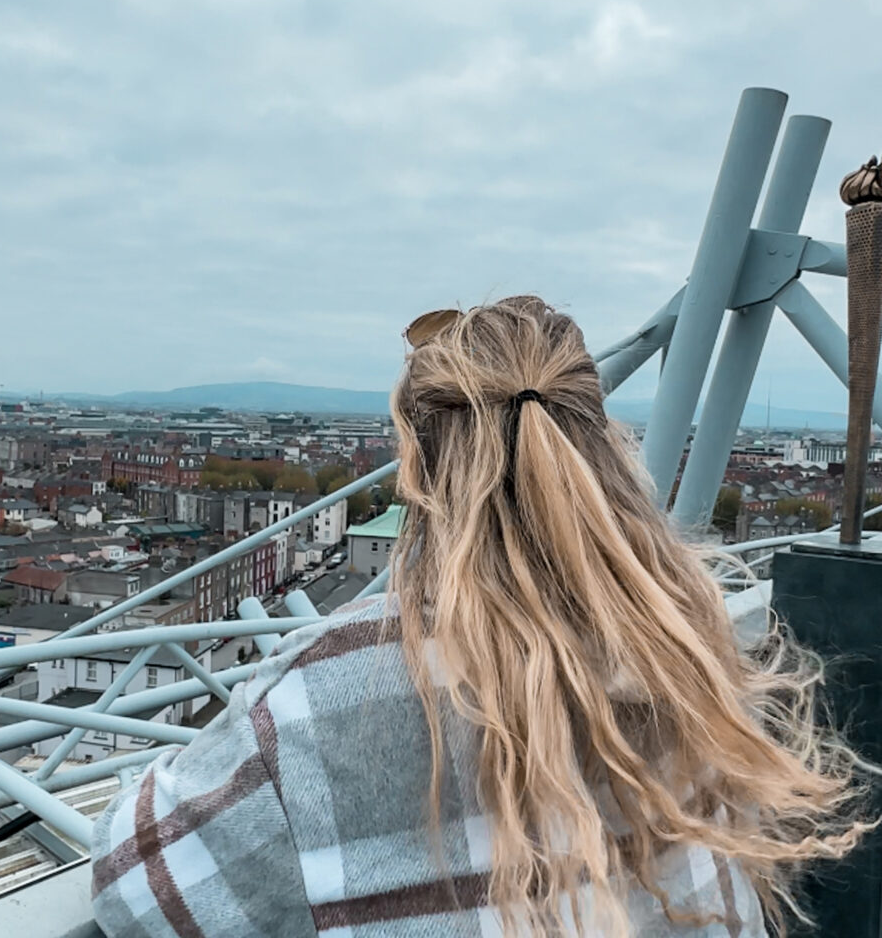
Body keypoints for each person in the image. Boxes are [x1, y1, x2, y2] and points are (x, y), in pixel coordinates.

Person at [92, 296, 869, 936]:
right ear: (604, 451)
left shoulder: (323, 691)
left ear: (419, 472)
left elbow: (136, 896)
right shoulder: (690, 655)